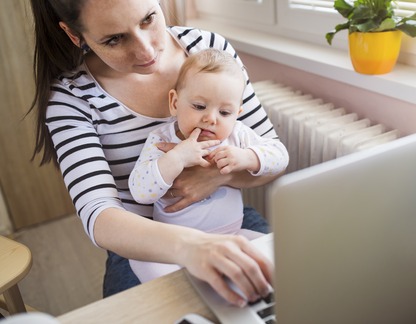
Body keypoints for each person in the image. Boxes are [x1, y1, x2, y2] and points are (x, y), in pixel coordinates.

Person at [29, 0, 281, 307]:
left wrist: (215, 176)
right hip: (142, 244)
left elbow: (273, 158)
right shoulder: (70, 100)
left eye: (149, 18)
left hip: (229, 223)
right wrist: (192, 247)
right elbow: (100, 217)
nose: (147, 51)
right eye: (114, 39)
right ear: (74, 35)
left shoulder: (210, 50)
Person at [128, 48, 289, 282]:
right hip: (175, 245)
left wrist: (247, 157)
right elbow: (140, 192)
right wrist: (177, 158)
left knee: (275, 257)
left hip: (230, 235)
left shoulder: (237, 135)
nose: (211, 118)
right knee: (141, 260)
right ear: (175, 102)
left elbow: (280, 155)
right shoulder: (162, 140)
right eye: (199, 106)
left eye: (224, 112)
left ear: (237, 114)